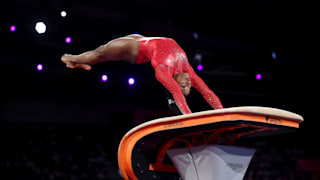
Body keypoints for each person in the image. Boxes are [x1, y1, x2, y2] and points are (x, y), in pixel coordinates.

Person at [61, 34, 223, 114]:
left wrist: (220, 114)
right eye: (188, 87)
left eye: (184, 86)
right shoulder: (188, 71)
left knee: (101, 53)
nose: (188, 84)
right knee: (100, 54)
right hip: (145, 41)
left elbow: (179, 93)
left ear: (173, 81)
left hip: (135, 50)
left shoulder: (163, 71)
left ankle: (74, 60)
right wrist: (221, 112)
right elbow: (207, 92)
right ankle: (73, 59)